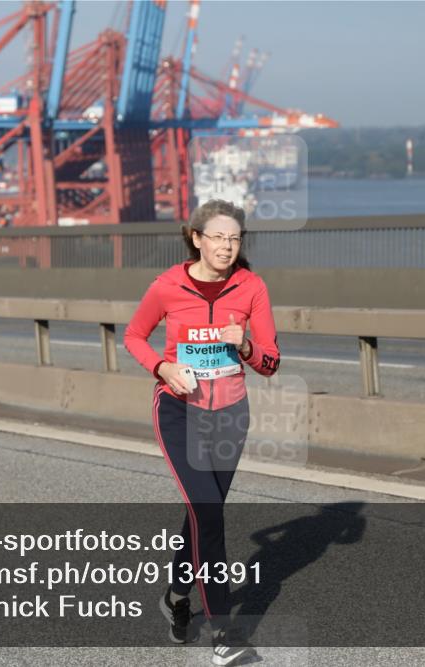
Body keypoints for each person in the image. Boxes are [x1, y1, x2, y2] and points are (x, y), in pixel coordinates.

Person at [124, 198, 281, 665]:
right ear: (196, 238)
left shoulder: (251, 288)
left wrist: (246, 345)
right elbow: (134, 335)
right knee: (210, 515)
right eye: (217, 237)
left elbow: (271, 363)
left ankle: (176, 593)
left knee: (201, 517)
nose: (226, 246)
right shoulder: (168, 286)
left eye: (234, 239)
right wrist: (162, 367)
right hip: (179, 412)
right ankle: (225, 635)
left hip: (231, 414)